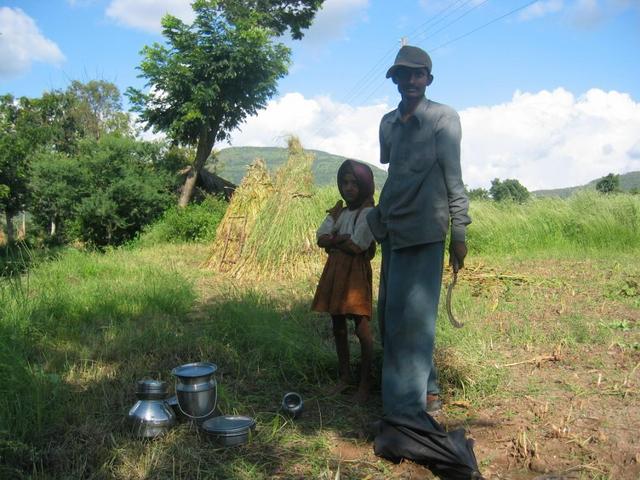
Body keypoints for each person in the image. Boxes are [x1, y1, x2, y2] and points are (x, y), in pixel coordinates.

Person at [366, 45, 471, 417]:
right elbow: (393, 173)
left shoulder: (444, 118)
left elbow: (453, 178)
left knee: (413, 321)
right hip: (393, 227)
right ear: (394, 79)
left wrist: (459, 230)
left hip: (426, 231)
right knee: (393, 318)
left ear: (428, 79)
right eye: (403, 74)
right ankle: (426, 392)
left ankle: (405, 412)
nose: (410, 81)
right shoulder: (388, 123)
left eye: (418, 74)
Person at [311, 159, 376, 404]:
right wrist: (338, 238)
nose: (348, 187)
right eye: (344, 182)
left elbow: (357, 244)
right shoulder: (342, 212)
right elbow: (320, 237)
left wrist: (334, 239)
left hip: (355, 273)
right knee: (337, 324)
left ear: (365, 185)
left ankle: (365, 383)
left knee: (361, 328)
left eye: (354, 183)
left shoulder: (368, 213)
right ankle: (345, 376)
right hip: (336, 270)